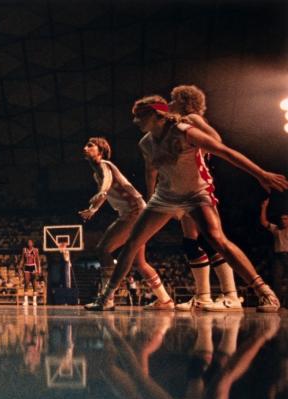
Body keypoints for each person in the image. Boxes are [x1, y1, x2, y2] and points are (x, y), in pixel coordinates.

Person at [85, 95, 287, 312]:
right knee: (133, 242)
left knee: (217, 239)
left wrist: (260, 174)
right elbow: (150, 171)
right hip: (165, 197)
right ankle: (107, 298)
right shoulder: (145, 143)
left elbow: (225, 152)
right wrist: (152, 198)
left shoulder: (184, 131)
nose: (135, 121)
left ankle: (265, 293)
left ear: (157, 115)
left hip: (196, 193)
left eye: (140, 116)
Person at [167, 86, 242, 311]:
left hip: (200, 186)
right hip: (187, 187)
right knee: (191, 241)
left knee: (213, 239)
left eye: (173, 99)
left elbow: (217, 140)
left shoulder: (191, 118)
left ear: (183, 101)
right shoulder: (181, 124)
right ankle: (203, 296)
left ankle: (231, 295)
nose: (170, 102)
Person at [79, 137, 173, 310]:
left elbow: (106, 183)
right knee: (139, 263)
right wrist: (93, 209)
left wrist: (102, 191)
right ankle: (165, 300)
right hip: (137, 212)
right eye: (86, 145)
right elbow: (104, 195)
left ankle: (107, 299)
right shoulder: (95, 173)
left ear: (100, 151)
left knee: (103, 249)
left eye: (90, 145)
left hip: (134, 212)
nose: (85, 147)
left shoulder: (105, 164)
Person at [259, 198, 288, 295]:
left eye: (285, 219)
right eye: (282, 219)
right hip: (279, 256)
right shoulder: (276, 228)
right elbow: (264, 222)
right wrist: (264, 207)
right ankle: (278, 301)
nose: (283, 221)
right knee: (276, 279)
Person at [19, 239, 41, 306]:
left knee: (34, 282)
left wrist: (38, 269)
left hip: (33, 266)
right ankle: (26, 301)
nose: (29, 243)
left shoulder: (36, 250)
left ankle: (34, 301)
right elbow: (22, 259)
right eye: (28, 242)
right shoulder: (24, 250)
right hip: (27, 266)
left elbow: (37, 260)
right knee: (26, 282)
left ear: (33, 243)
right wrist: (20, 267)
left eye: (31, 242)